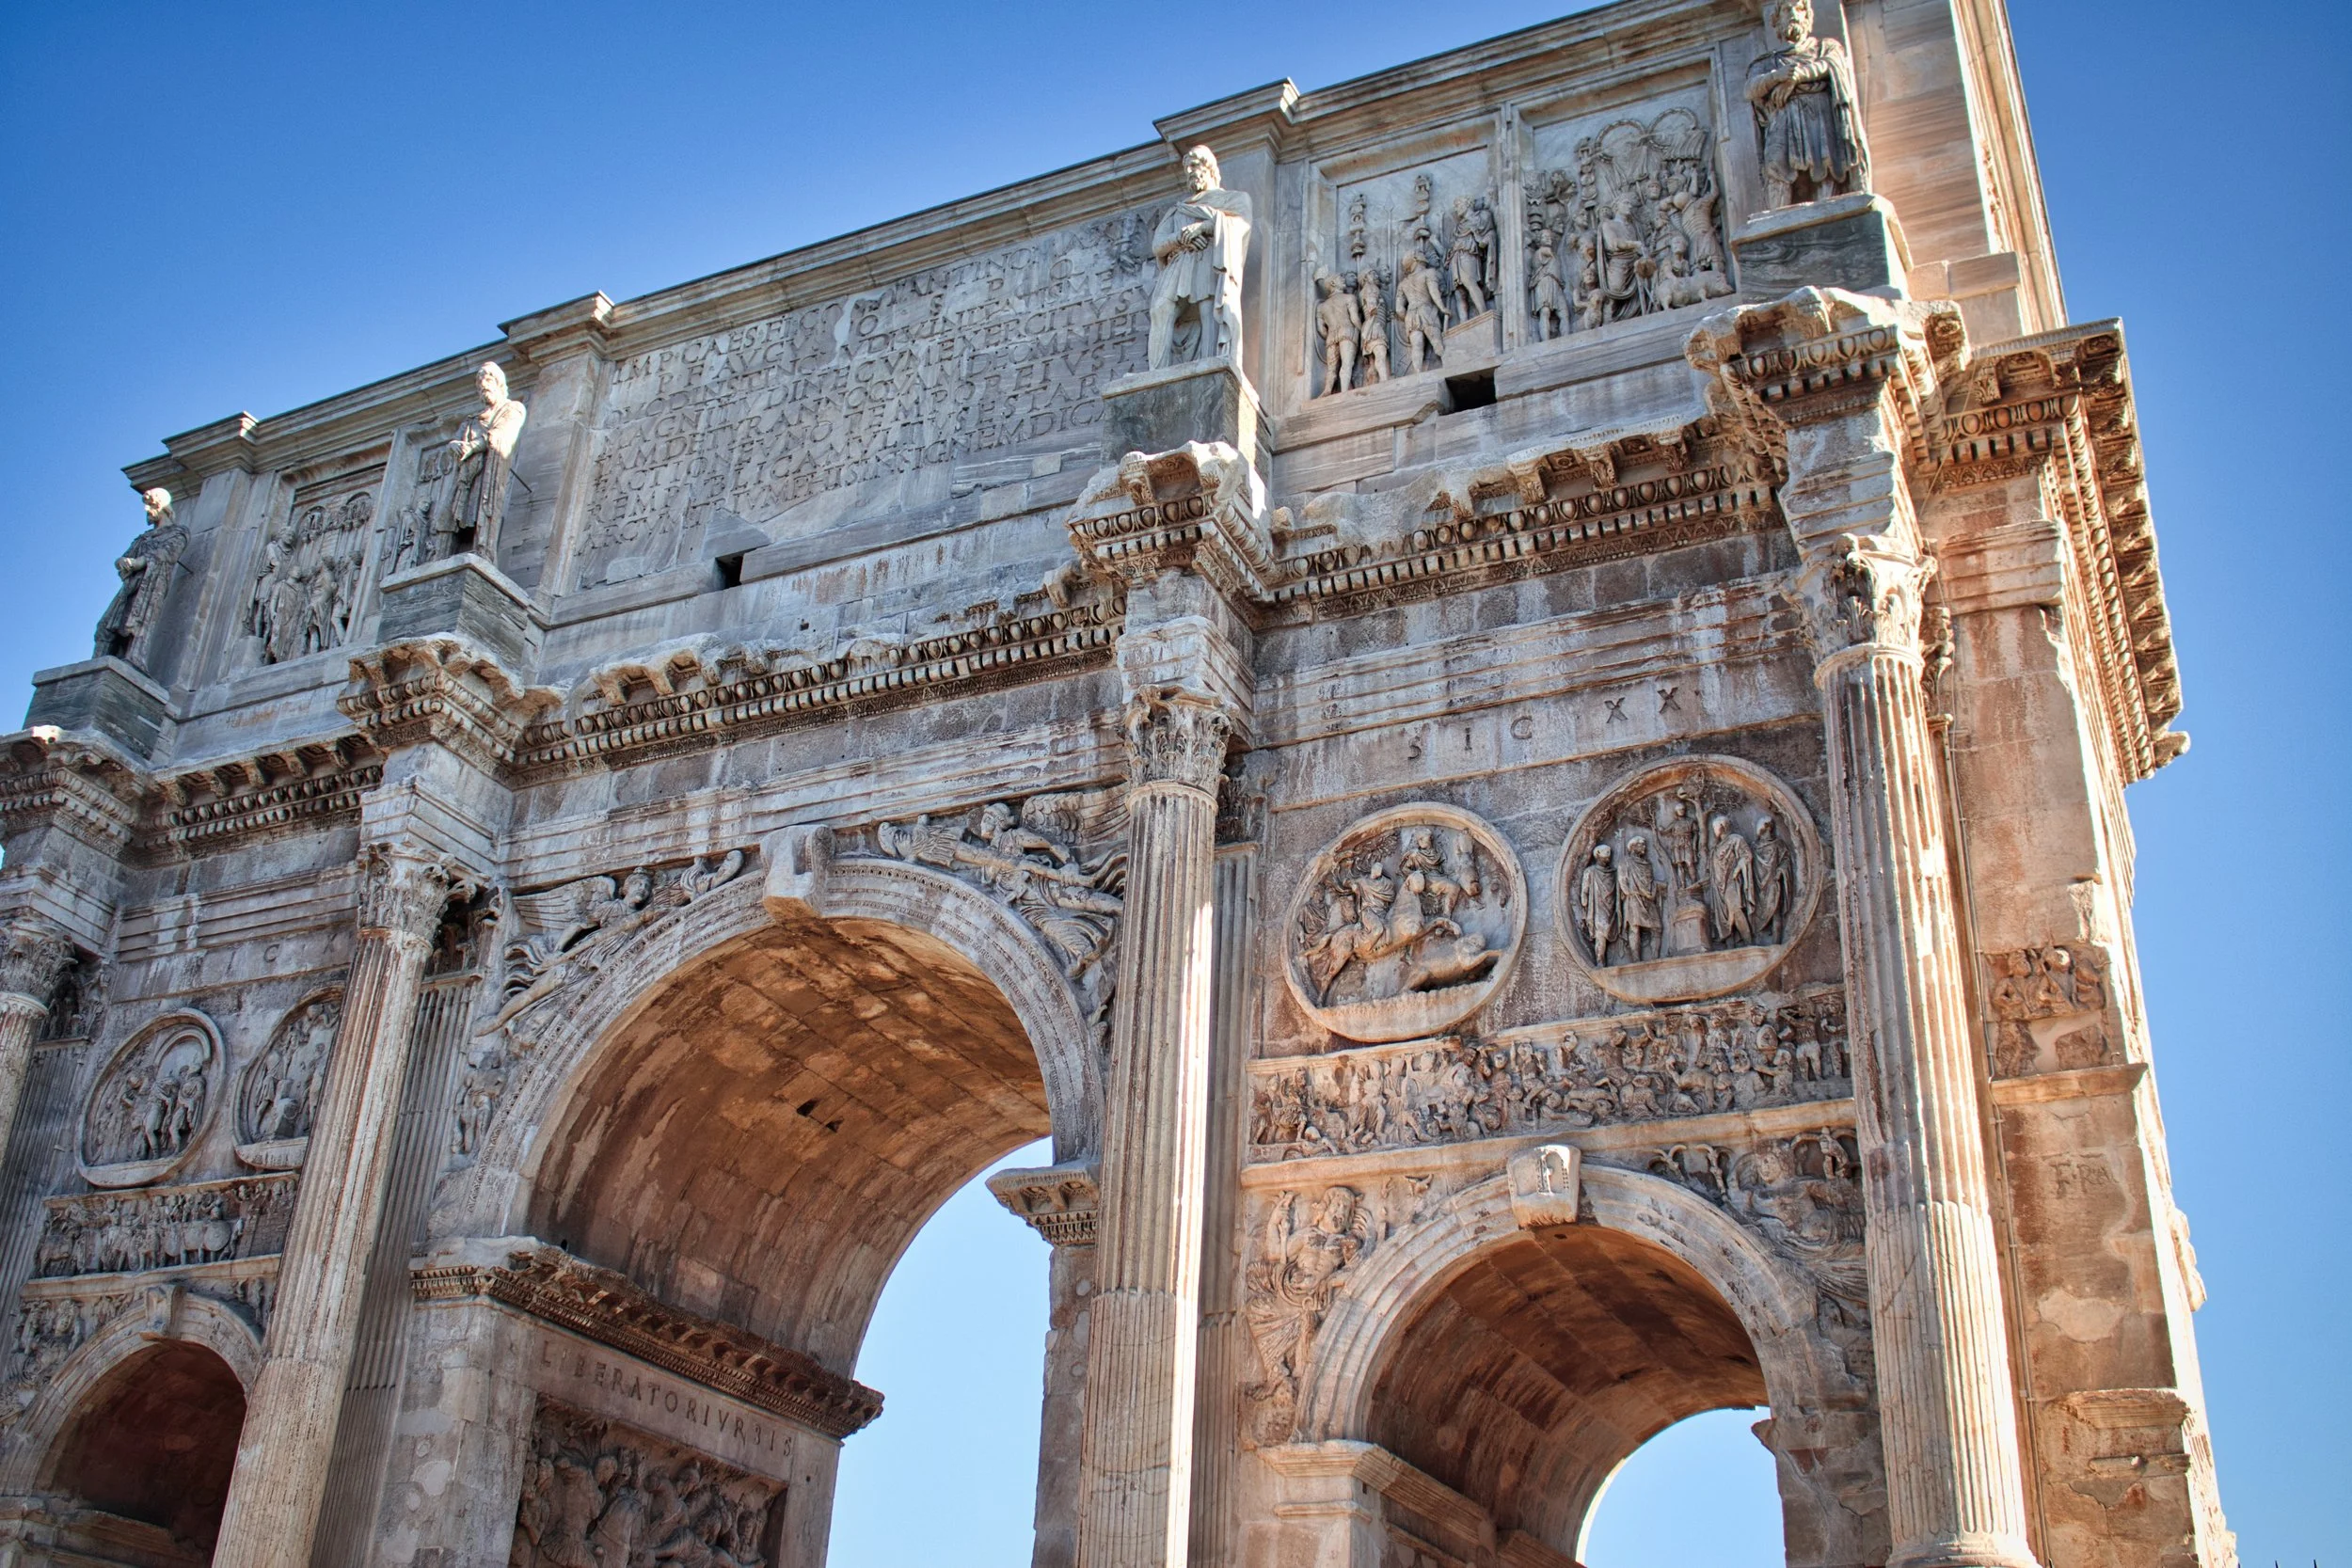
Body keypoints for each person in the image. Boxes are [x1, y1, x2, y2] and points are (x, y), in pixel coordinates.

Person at [1746, 0, 1870, 208]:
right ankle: (1777, 219)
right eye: (1786, 9)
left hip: (1819, 114)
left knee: (1826, 164)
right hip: (1784, 120)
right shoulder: (1768, 62)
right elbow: (1750, 88)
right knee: (1775, 165)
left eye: (1800, 9)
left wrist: (1797, 76)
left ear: (1808, 17)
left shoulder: (1825, 47)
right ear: (1776, 21)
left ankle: (1831, 212)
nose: (1793, 13)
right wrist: (1777, 76)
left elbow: (1831, 64)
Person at [1148, 146, 1252, 369]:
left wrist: (1204, 227)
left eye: (1194, 167)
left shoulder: (1233, 200)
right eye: (1187, 170)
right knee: (1160, 309)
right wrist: (1181, 237)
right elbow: (1158, 245)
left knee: (1210, 311)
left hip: (1210, 261)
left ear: (1209, 168)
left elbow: (1241, 226)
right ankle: (1156, 373)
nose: (1190, 173)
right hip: (1179, 265)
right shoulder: (1179, 209)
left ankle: (1210, 367)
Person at [426, 361, 529, 562]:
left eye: (488, 380)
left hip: (489, 472)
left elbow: (502, 433)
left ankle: (483, 551)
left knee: (484, 508)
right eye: (480, 383)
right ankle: (441, 556)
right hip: (464, 474)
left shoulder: (512, 408)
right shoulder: (472, 418)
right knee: (449, 512)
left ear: (499, 383)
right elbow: (455, 439)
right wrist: (455, 445)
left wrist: (472, 447)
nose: (484, 386)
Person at [92, 487, 187, 671]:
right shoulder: (143, 537)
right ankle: (97, 666)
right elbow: (127, 555)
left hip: (152, 584)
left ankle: (134, 661)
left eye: (150, 505)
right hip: (132, 583)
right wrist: (122, 562)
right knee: (105, 626)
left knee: (138, 623)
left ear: (162, 505)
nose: (146, 510)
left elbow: (167, 553)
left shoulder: (178, 532)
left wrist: (138, 563)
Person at [1314, 270, 1361, 394]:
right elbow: (1355, 319)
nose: (1343, 280)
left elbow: (1321, 329)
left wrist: (1329, 335)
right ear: (1333, 283)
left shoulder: (1322, 307)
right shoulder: (1349, 298)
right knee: (1347, 363)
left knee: (1331, 368)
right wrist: (1362, 330)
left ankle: (1327, 390)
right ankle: (1344, 391)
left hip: (1331, 337)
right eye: (1340, 278)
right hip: (1347, 331)